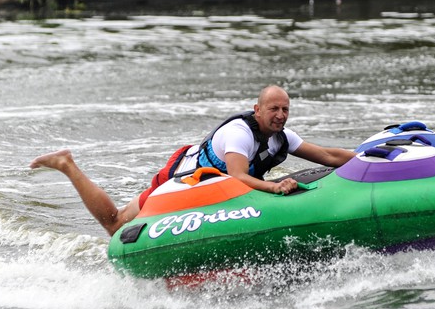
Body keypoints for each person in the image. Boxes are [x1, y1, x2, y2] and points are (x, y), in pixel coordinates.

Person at [29, 85, 356, 236]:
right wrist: (273, 187)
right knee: (116, 225)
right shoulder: (240, 133)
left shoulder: (282, 137)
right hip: (183, 182)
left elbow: (328, 156)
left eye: (285, 109)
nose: (280, 115)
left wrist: (372, 157)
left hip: (216, 193)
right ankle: (67, 164)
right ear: (258, 110)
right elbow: (238, 176)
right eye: (274, 109)